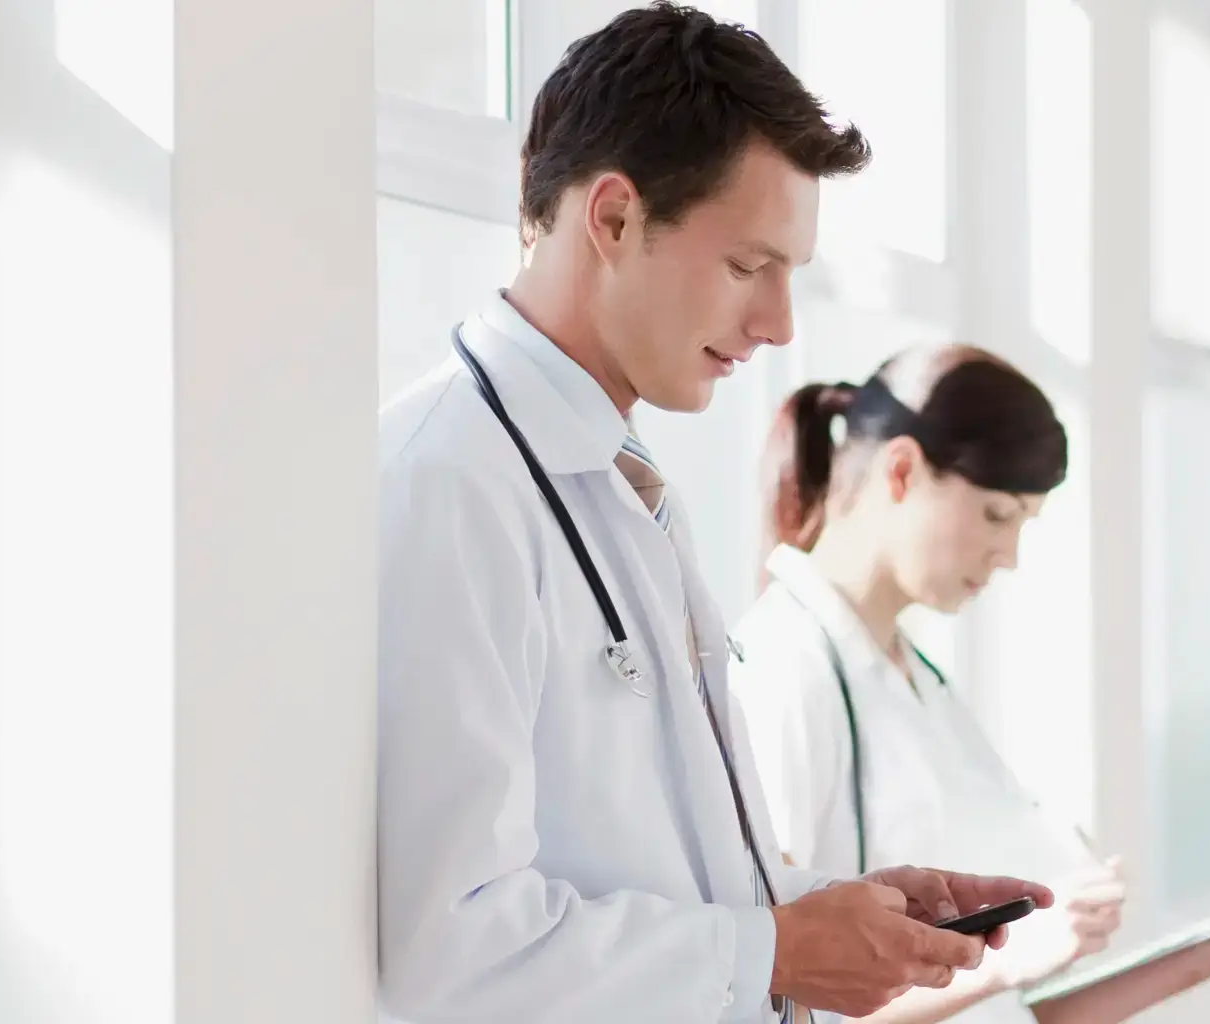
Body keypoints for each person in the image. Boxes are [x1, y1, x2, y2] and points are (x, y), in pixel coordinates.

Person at [376, 7, 1061, 1022]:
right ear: (614, 218)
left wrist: (833, 914)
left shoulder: (624, 483)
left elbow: (662, 878)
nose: (778, 324)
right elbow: (451, 949)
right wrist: (778, 947)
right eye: (748, 267)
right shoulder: (447, 482)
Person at [732, 345, 1210, 1024]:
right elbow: (780, 999)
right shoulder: (783, 670)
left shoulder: (916, 681)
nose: (1009, 555)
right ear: (901, 471)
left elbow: (1023, 1007)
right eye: (997, 515)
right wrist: (1009, 961)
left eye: (1023, 524)